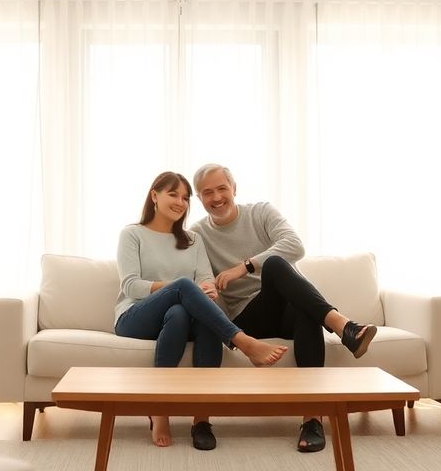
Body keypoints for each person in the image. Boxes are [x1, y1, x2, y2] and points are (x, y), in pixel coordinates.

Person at [190, 163, 378, 453]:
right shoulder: (198, 234)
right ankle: (344, 327)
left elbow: (295, 245)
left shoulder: (261, 212)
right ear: (199, 198)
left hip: (286, 309)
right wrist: (209, 288)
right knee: (276, 265)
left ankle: (312, 419)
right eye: (207, 192)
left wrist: (245, 266)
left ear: (234, 188)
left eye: (222, 189)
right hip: (248, 316)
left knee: (303, 307)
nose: (216, 198)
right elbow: (199, 275)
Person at [114, 171, 289, 450]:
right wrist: (179, 288)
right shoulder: (132, 234)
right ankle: (241, 343)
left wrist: (207, 290)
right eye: (173, 194)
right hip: (135, 316)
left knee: (186, 313)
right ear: (154, 196)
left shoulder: (193, 239)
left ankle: (202, 418)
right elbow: (131, 285)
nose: (180, 202)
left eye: (185, 198)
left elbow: (206, 279)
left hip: (177, 318)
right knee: (183, 287)